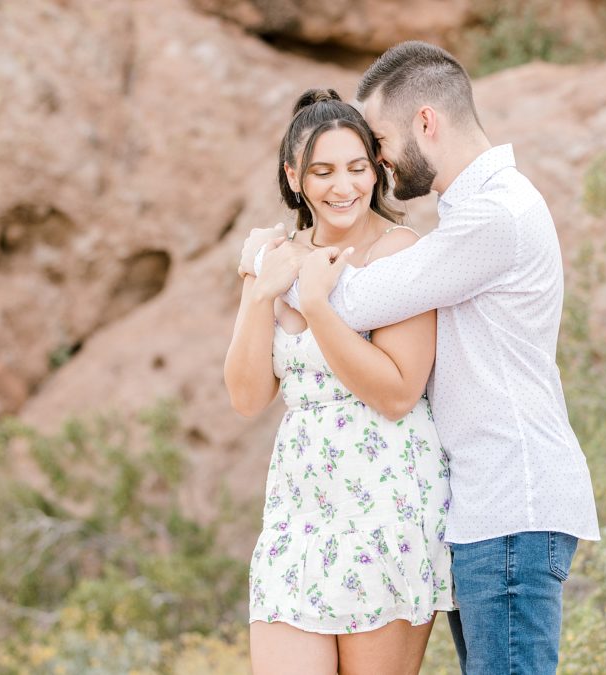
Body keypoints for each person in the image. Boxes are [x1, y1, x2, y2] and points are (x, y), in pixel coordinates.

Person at [239, 42, 601, 675]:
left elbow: (364, 297)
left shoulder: (496, 216)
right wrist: (273, 269)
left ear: (425, 123)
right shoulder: (468, 209)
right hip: (477, 507)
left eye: (376, 141)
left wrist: (268, 267)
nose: (376, 161)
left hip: (510, 503)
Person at [224, 88, 454, 675]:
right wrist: (260, 291)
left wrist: (321, 306)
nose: (343, 186)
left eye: (357, 168)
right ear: (294, 176)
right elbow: (248, 397)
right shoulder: (276, 256)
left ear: (376, 170)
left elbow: (399, 393)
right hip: (298, 510)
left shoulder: (401, 253)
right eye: (323, 171)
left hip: (387, 503)